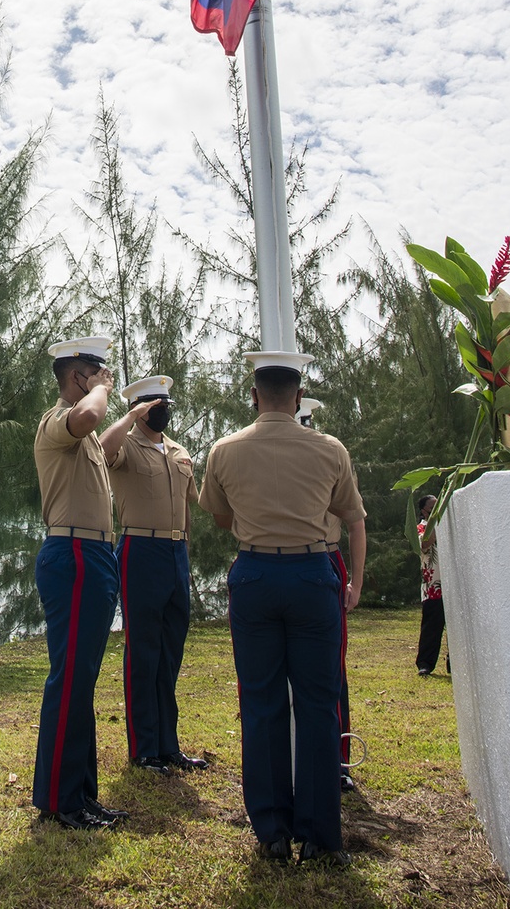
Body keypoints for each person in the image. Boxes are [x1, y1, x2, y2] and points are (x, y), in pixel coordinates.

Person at [199, 352, 366, 868]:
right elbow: (351, 514)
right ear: (298, 397)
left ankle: (272, 829)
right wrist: (354, 580)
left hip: (255, 576)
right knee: (318, 703)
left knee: (261, 702)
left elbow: (221, 516)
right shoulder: (329, 449)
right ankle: (319, 834)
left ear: (254, 395)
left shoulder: (224, 450)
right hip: (313, 574)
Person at [32, 337, 125, 831]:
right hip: (73, 554)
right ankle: (59, 799)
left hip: (94, 554)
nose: (104, 377)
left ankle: (82, 795)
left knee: (81, 680)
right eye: (96, 371)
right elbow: (90, 418)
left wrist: (129, 413)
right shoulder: (57, 421)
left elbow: (102, 436)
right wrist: (104, 393)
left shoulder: (84, 437)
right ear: (77, 377)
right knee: (69, 678)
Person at [100, 375, 208, 776]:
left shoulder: (180, 453)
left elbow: (194, 504)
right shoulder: (125, 445)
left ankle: (168, 745)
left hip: (176, 553)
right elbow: (101, 447)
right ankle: (144, 748)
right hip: (140, 551)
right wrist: (129, 416)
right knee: (143, 652)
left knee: (170, 653)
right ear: (141, 408)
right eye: (154, 406)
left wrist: (186, 555)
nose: (162, 411)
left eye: (166, 405)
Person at [298, 398, 355, 793]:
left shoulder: (330, 453)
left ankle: (338, 758)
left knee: (331, 667)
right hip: (288, 559)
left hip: (327, 557)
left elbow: (356, 518)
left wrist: (357, 582)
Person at [415, 494, 449, 676]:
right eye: (432, 507)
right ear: (424, 511)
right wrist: (435, 521)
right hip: (433, 585)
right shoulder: (421, 528)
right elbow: (425, 543)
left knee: (456, 628)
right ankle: (425, 663)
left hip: (453, 584)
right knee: (432, 627)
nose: (437, 510)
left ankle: (454, 662)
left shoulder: (449, 526)